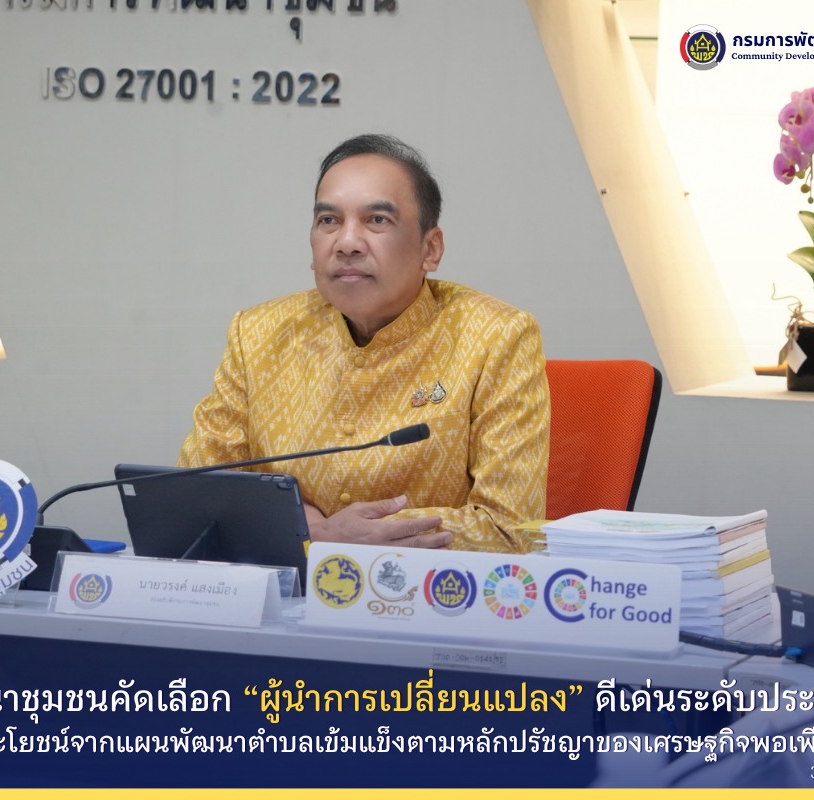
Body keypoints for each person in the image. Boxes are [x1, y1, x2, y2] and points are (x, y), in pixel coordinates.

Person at [177, 134, 549, 553]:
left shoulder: (496, 337)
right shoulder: (259, 334)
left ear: (430, 249)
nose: (347, 243)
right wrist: (310, 531)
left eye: (377, 220)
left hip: (425, 590)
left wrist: (342, 535)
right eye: (328, 220)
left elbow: (510, 529)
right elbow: (193, 494)